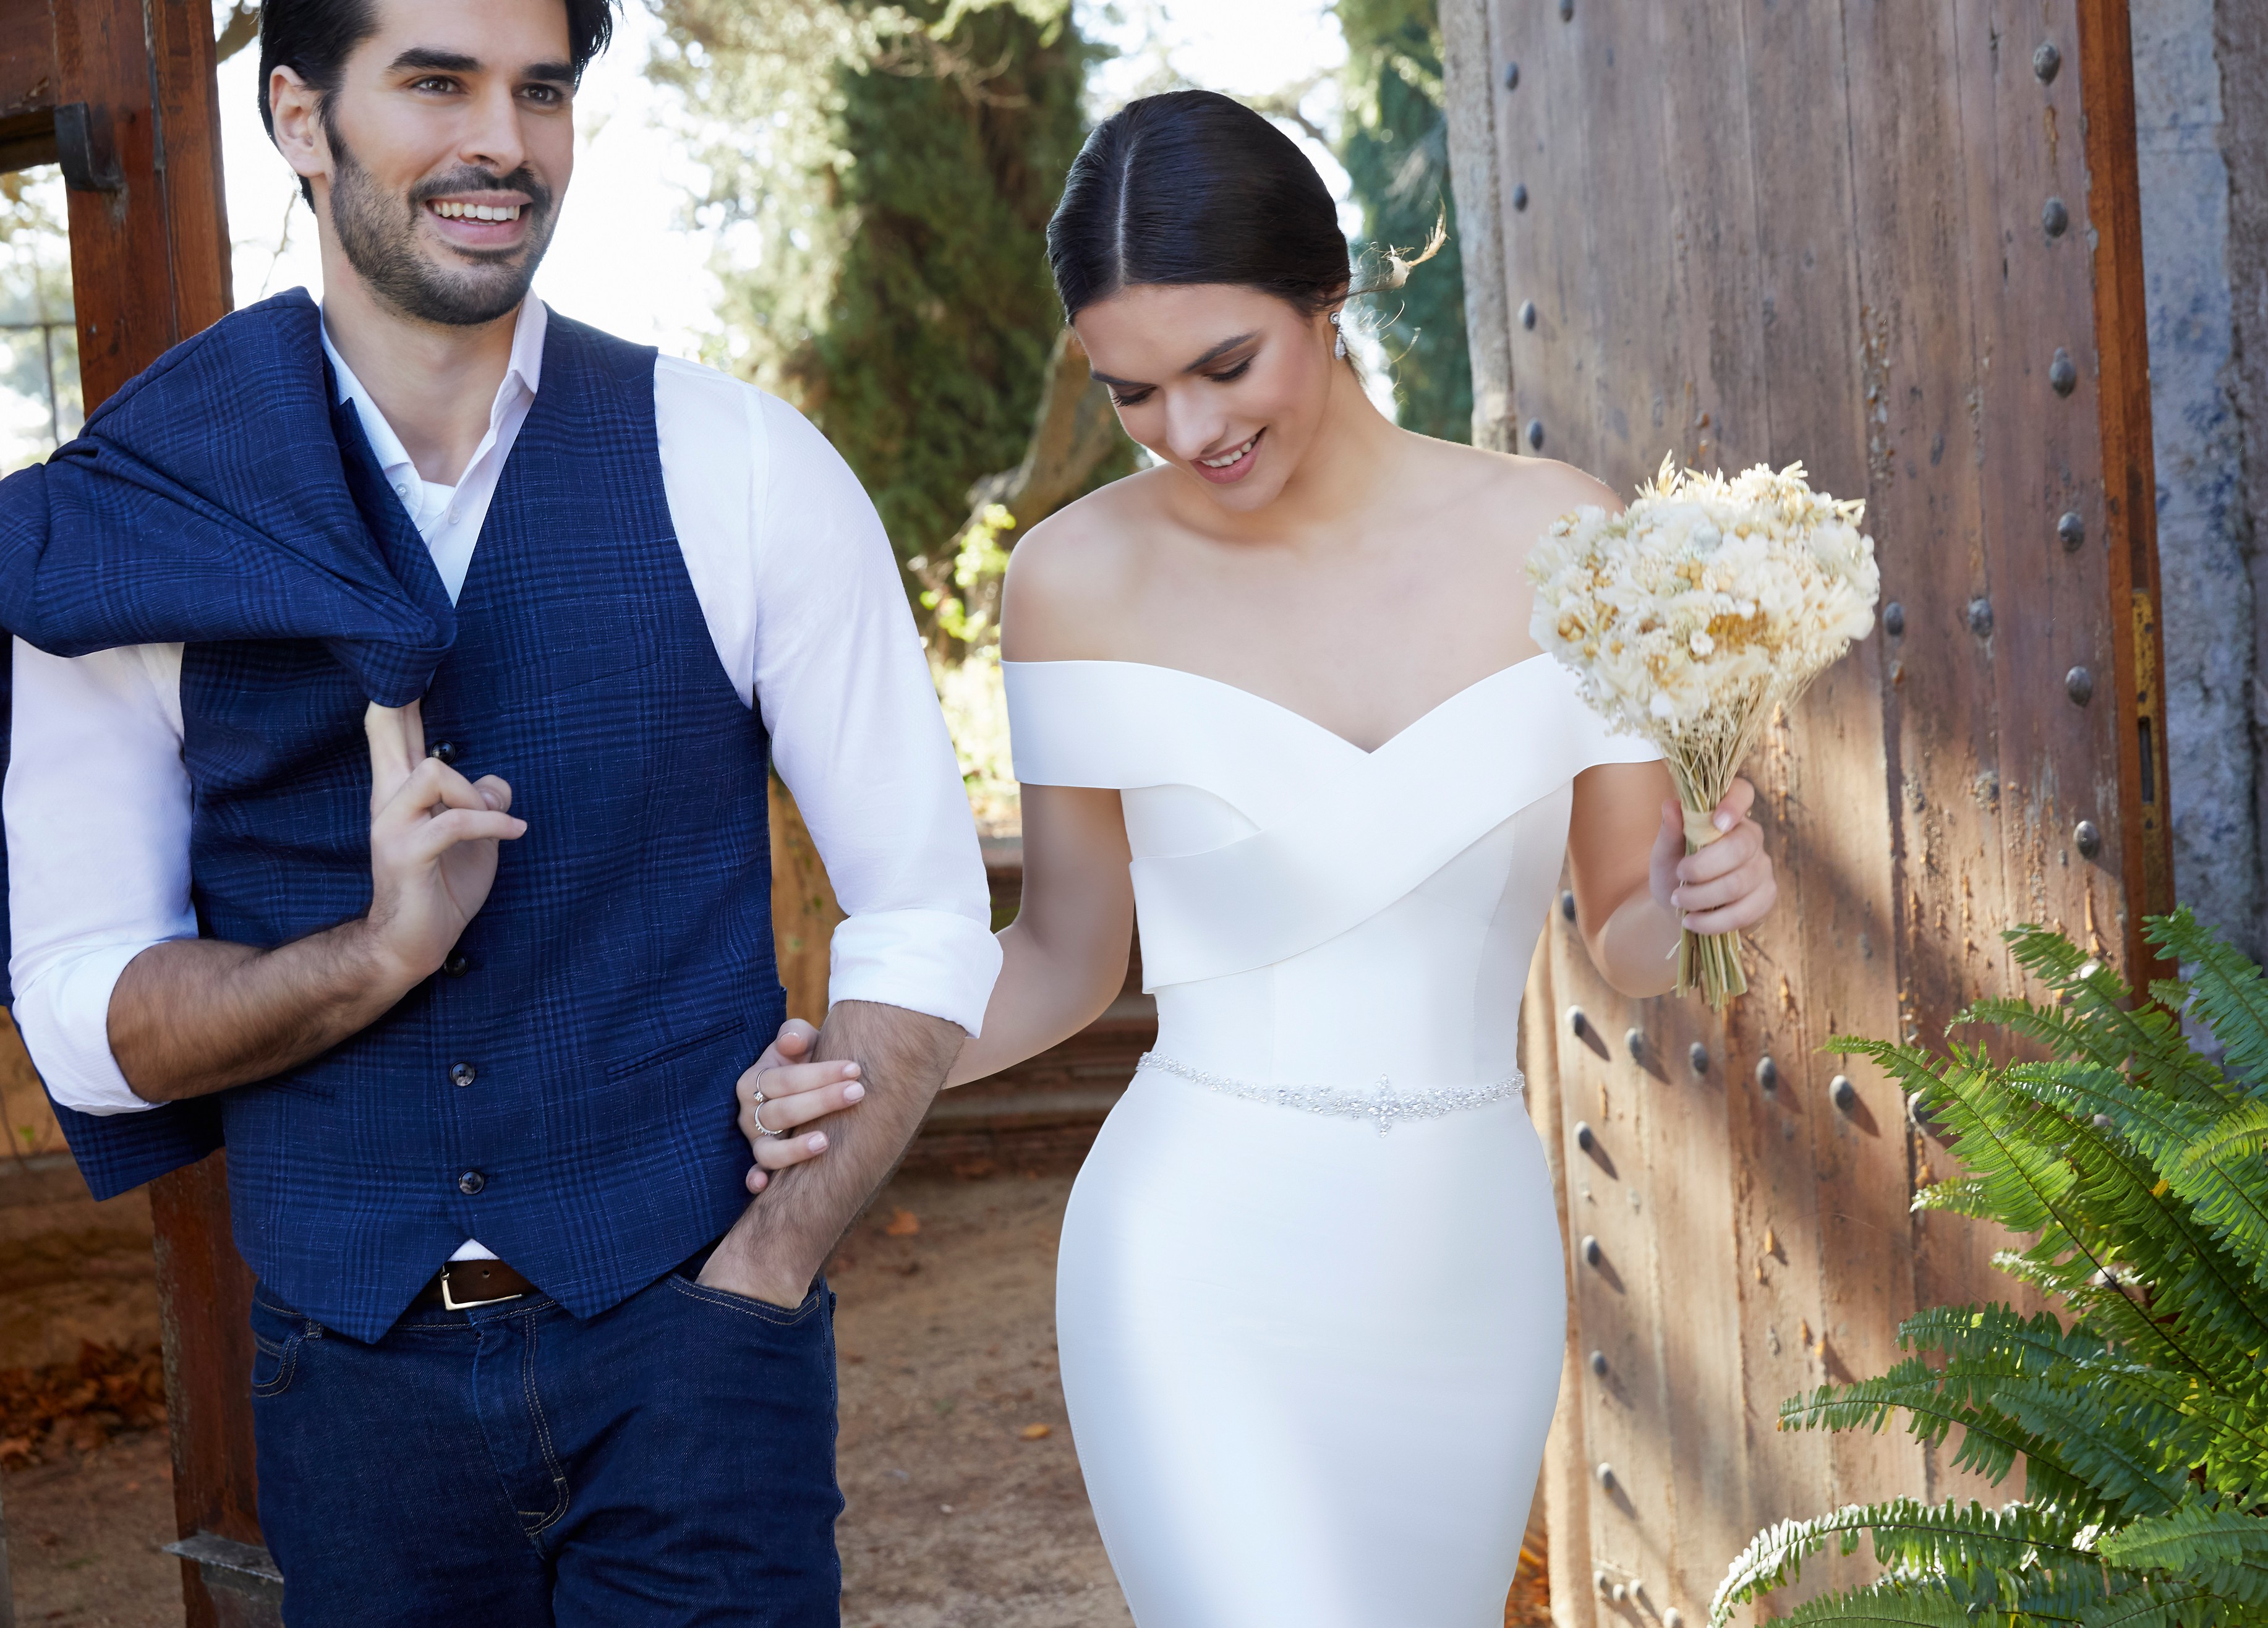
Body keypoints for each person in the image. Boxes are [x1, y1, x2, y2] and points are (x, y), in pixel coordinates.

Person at [2, 0, 992, 1620]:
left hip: (696, 1352)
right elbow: (88, 1015)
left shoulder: (736, 467)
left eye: (541, 90)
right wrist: (378, 955)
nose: (503, 143)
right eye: (436, 83)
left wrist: (766, 1264)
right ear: (301, 120)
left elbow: (923, 908)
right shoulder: (137, 525)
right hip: (351, 1400)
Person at [740, 89, 1781, 1627]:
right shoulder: (1072, 579)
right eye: (1134, 395)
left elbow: (1626, 931)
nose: (1191, 432)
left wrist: (1700, 903)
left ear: (1327, 292)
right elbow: (1069, 955)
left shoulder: (1568, 541)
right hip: (1195, 1257)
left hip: (1466, 1264)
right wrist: (850, 1068)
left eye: (1226, 365)